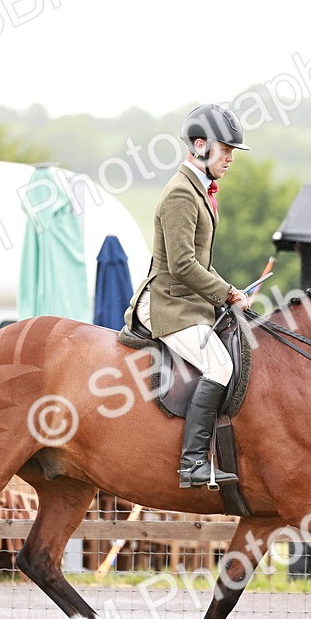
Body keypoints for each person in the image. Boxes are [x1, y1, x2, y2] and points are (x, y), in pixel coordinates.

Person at [124, 102, 251, 489]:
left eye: (231, 151)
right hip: (167, 303)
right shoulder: (181, 193)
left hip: (187, 300)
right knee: (220, 366)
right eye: (224, 149)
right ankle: (193, 462)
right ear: (200, 145)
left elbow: (200, 263)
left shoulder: (199, 190)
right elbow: (181, 266)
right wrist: (227, 294)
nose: (230, 158)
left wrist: (232, 291)